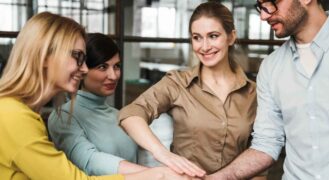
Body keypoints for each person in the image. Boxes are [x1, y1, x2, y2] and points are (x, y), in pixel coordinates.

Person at [0, 12, 191, 180]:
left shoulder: (20, 113)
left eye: (116, 66)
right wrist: (158, 174)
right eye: (78, 57)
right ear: (44, 56)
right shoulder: (13, 116)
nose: (83, 69)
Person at [207, 0, 329, 179]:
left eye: (271, 3)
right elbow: (267, 143)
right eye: (261, 7)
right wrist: (216, 178)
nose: (264, 15)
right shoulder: (271, 67)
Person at [118, 2, 265, 179]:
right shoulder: (177, 83)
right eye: (197, 37)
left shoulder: (254, 93)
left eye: (213, 36)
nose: (204, 46)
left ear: (231, 37)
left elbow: (259, 155)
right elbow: (131, 114)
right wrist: (162, 153)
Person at [47, 33, 148, 176]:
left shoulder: (118, 115)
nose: (113, 76)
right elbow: (89, 161)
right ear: (82, 69)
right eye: (102, 67)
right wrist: (155, 174)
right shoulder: (62, 116)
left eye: (117, 66)